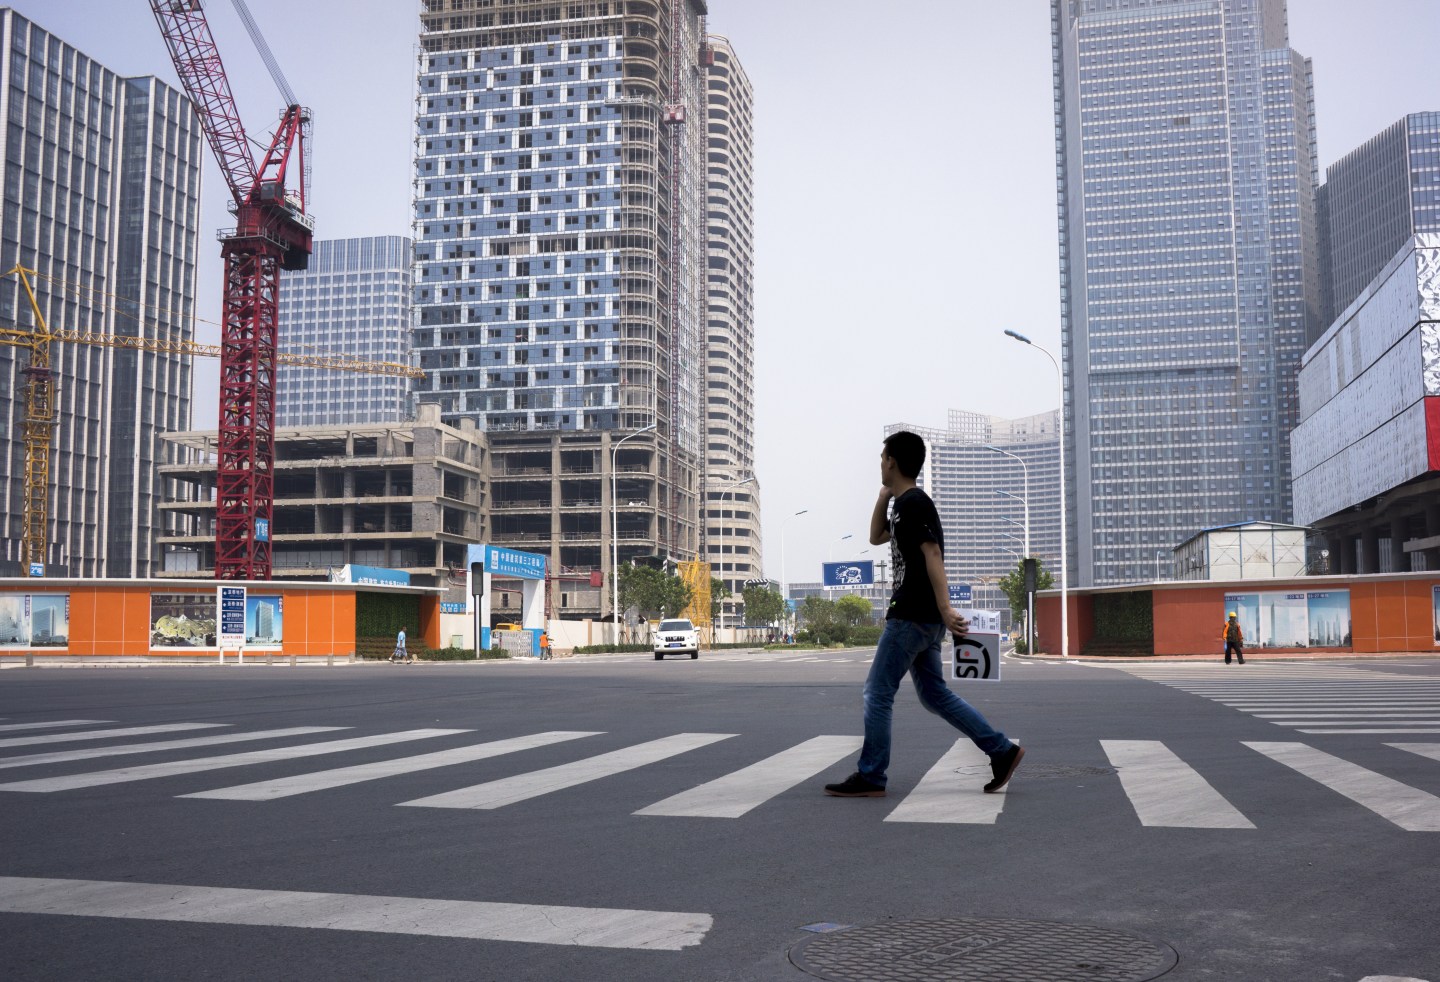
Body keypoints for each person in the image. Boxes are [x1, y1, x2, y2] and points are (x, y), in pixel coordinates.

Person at [824, 431, 1025, 798]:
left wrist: (946, 609)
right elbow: (874, 537)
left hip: (912, 615)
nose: (880, 464)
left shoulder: (915, 503)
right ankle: (1001, 750)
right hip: (922, 618)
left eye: (883, 457)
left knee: (877, 692)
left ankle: (871, 775)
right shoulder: (903, 505)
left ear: (892, 462)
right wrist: (884, 496)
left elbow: (932, 553)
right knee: (934, 695)